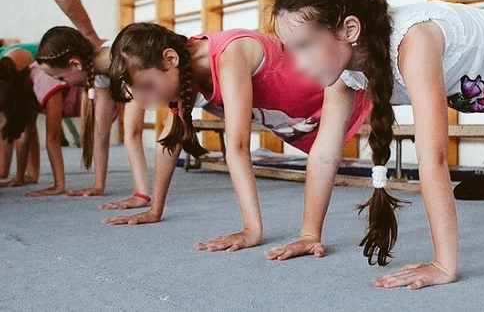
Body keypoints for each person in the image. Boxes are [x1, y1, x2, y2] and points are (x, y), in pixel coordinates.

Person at [266, 0, 484, 290]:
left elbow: (433, 158)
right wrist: (309, 234)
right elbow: (324, 154)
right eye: (292, 49)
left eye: (305, 45)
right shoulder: (345, 69)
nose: (300, 64)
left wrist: (444, 264)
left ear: (350, 29)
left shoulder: (414, 43)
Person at [102, 23, 371, 255]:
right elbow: (169, 141)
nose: (149, 98)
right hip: (313, 118)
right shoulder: (183, 71)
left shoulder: (229, 54)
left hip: (341, 91)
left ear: (170, 58)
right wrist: (155, 210)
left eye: (148, 86)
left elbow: (238, 147)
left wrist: (251, 230)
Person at [36, 27, 148, 209]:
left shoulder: (126, 60)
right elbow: (101, 131)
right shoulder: (100, 71)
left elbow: (133, 132)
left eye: (61, 77)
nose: (63, 83)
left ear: (75, 64)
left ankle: (142, 192)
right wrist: (98, 185)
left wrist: (140, 196)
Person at [0, 44, 82, 195]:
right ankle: (29, 175)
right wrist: (19, 177)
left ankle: (59, 183)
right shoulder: (24, 90)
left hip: (97, 95)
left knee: (51, 136)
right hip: (82, 102)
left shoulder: (44, 79)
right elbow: (24, 133)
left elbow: (53, 137)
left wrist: (58, 186)